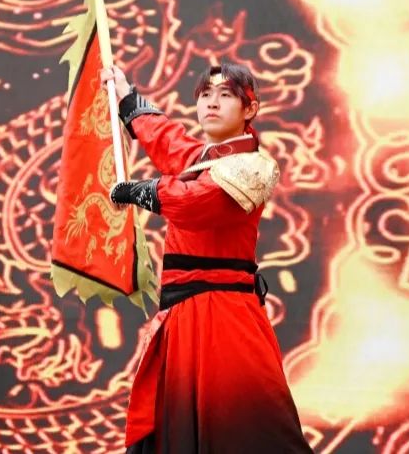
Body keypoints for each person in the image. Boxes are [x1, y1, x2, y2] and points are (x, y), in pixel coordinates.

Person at [102, 63, 312, 453]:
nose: (211, 103)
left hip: (223, 317)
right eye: (205, 95)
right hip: (187, 315)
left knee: (248, 430)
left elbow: (196, 202)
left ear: (250, 109)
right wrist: (127, 96)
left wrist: (140, 191)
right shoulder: (204, 159)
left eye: (225, 95)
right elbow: (169, 142)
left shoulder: (253, 166)